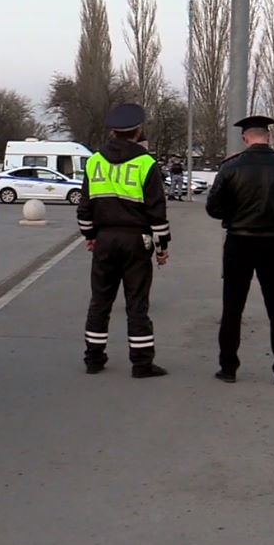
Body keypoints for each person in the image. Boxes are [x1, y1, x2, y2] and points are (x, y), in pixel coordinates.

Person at [205, 115, 274, 386]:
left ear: (245, 138)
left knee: (232, 308)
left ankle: (228, 368)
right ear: (269, 137)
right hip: (273, 243)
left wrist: (235, 212)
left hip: (238, 242)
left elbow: (213, 208)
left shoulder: (231, 167)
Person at [77, 103, 171, 378]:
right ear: (138, 131)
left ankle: (93, 358)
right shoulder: (146, 163)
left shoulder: (94, 161)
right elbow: (157, 212)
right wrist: (161, 247)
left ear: (114, 131)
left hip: (105, 239)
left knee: (100, 301)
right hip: (136, 240)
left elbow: (85, 207)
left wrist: (90, 236)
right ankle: (142, 363)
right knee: (137, 303)